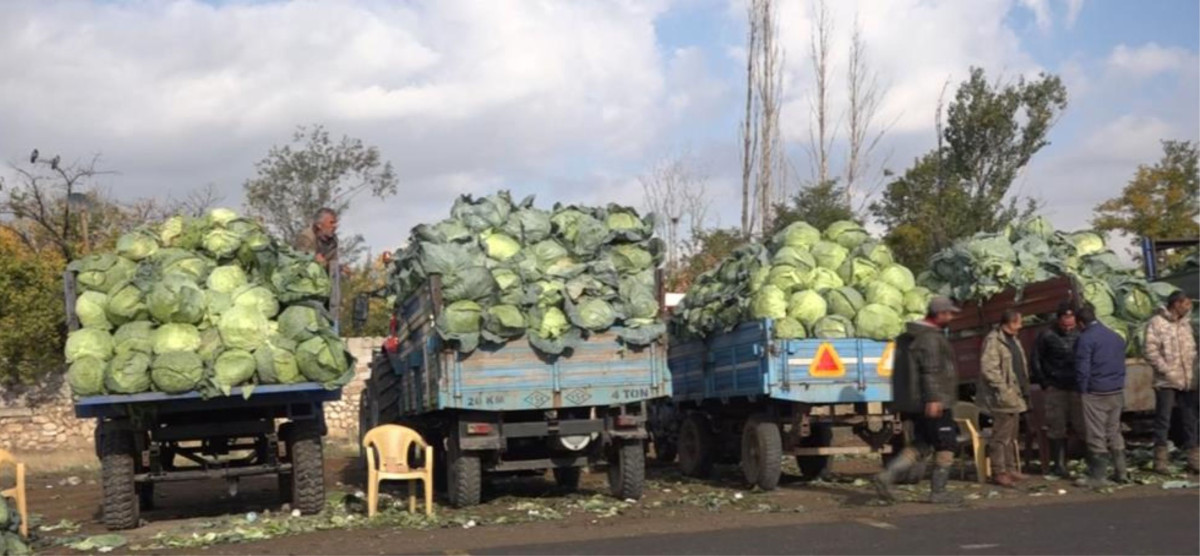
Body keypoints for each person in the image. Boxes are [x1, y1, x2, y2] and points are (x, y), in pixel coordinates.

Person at [874, 296, 961, 504]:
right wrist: (934, 399)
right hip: (934, 401)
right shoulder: (929, 338)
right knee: (946, 444)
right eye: (948, 313)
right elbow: (930, 371)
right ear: (939, 314)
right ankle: (938, 492)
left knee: (922, 443)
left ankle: (887, 476)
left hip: (915, 401)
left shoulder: (908, 336)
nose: (951, 317)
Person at [1144, 290, 1198, 474]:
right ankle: (1160, 461)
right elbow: (1150, 351)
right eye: (1186, 303)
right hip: (1166, 382)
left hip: (1188, 381)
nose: (1188, 307)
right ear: (1176, 304)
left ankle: (1194, 459)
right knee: (1163, 420)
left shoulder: (1186, 324)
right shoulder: (1156, 323)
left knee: (1190, 420)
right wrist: (1167, 371)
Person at [1074, 304, 1128, 488]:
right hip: (1116, 389)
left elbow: (1083, 368)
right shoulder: (1115, 337)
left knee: (1096, 433)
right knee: (1114, 430)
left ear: (1080, 323)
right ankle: (1121, 472)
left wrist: (1083, 389)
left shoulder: (1086, 339)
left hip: (1096, 392)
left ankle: (1098, 476)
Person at [976, 310, 1031, 487]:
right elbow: (989, 369)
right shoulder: (994, 341)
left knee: (1012, 434)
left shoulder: (1013, 339)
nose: (1021, 326)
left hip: (1016, 394)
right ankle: (999, 471)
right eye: (1018, 322)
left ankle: (1010, 467)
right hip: (1001, 397)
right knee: (1001, 435)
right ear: (1010, 323)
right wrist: (1003, 389)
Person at [1031, 302, 1083, 477]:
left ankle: (1088, 460)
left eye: (1071, 321)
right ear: (1059, 319)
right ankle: (1059, 464)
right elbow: (1036, 360)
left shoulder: (1081, 333)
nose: (1068, 325)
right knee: (1056, 425)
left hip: (1077, 387)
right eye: (1065, 321)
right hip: (1056, 387)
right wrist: (1044, 383)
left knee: (1082, 425)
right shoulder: (1047, 335)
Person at [294, 207, 342, 331]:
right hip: (309, 294)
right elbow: (300, 263)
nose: (335, 226)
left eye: (335, 222)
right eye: (332, 222)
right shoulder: (306, 237)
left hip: (327, 292)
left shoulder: (333, 241)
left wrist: (336, 267)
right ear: (320, 225)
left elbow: (332, 265)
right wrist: (313, 259)